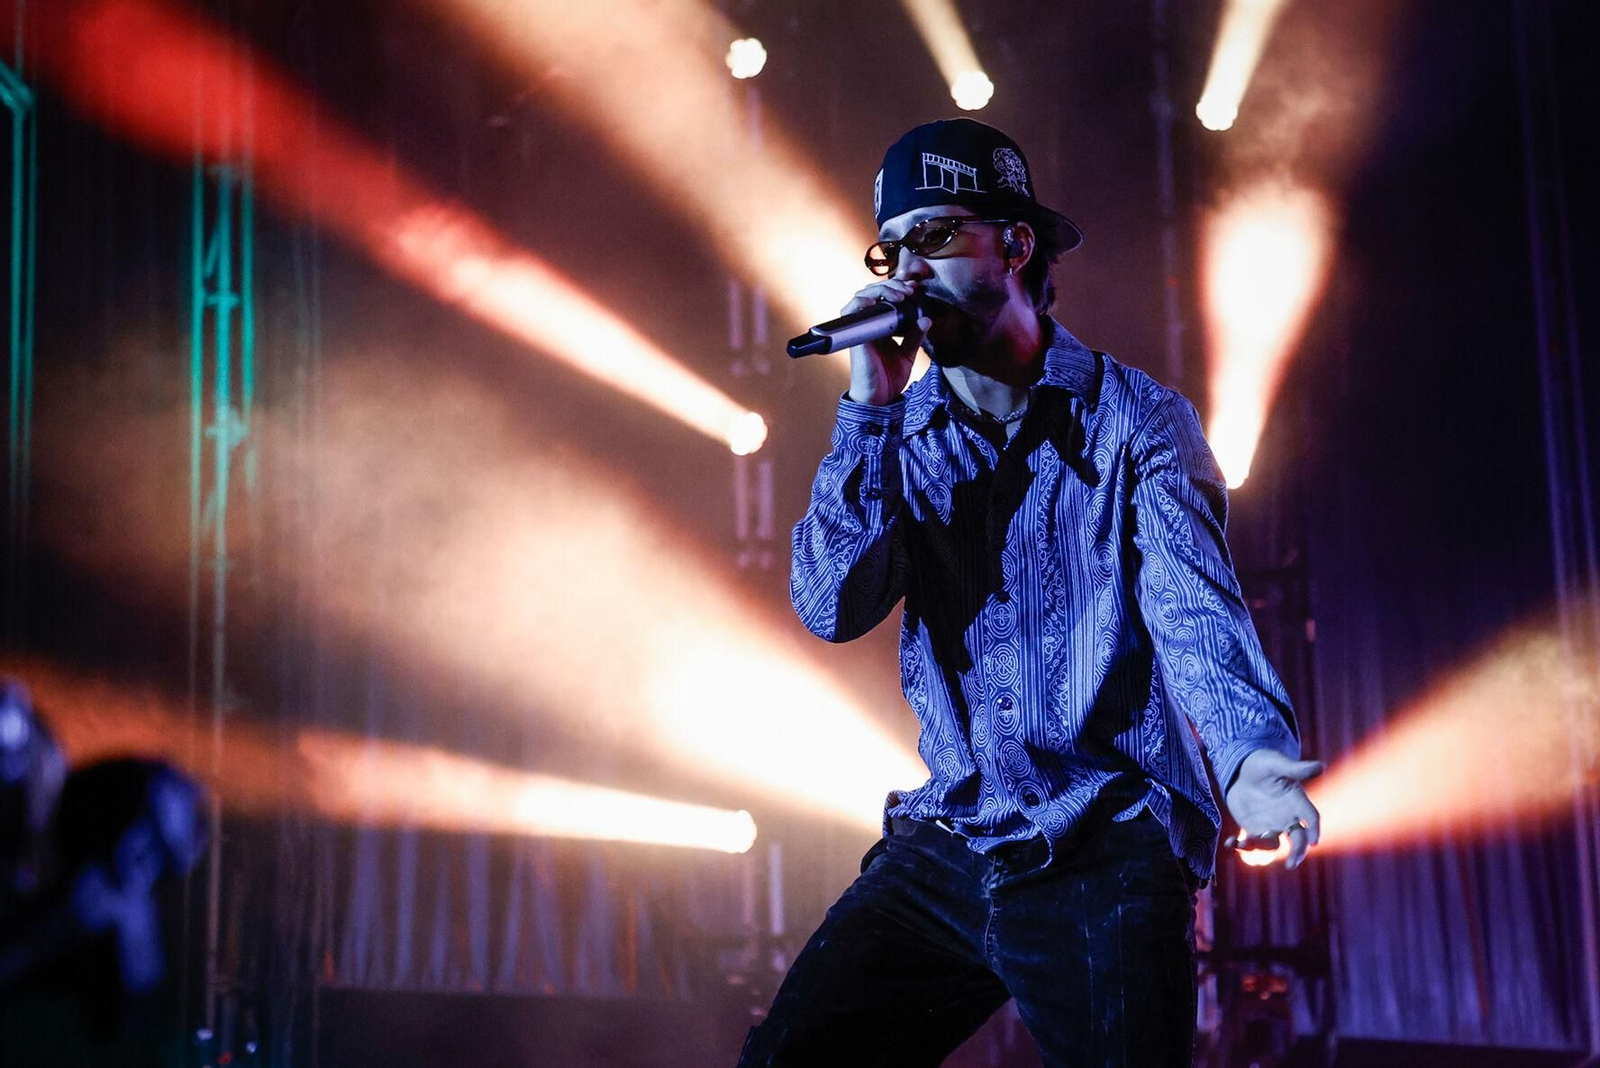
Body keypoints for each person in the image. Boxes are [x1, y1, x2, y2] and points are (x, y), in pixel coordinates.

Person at [739, 119, 1324, 1068]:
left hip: (1106, 843)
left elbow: (1194, 608)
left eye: (937, 236)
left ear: (1016, 243)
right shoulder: (901, 433)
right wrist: (869, 412)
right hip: (958, 838)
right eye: (894, 248)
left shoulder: (1132, 419)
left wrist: (1252, 756)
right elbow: (831, 606)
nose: (908, 272)